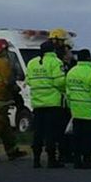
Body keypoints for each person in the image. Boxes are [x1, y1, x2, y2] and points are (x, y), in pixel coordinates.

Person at [25, 40, 66, 168]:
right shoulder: (56, 62)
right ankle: (51, 160)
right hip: (53, 103)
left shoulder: (32, 63)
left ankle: (36, 160)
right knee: (51, 133)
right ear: (53, 50)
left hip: (37, 103)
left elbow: (29, 81)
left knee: (38, 133)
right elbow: (60, 82)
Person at [66, 49, 91, 169]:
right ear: (89, 58)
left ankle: (77, 161)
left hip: (76, 110)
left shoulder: (72, 72)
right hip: (89, 111)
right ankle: (87, 160)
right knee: (89, 138)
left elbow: (68, 91)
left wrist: (71, 105)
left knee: (77, 137)